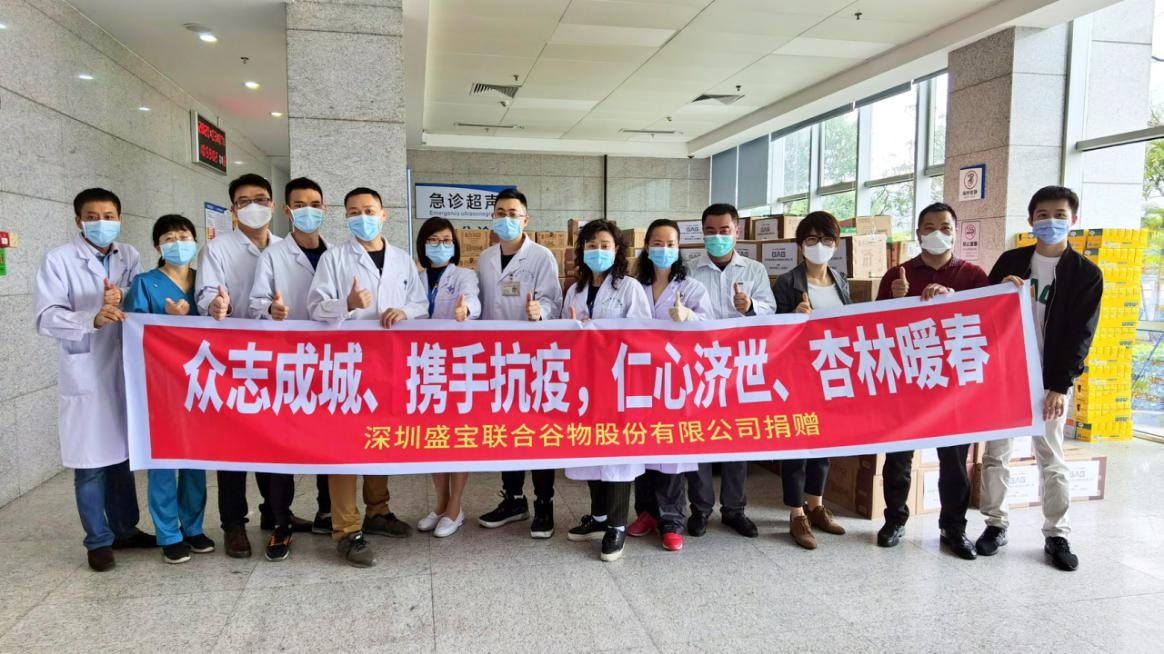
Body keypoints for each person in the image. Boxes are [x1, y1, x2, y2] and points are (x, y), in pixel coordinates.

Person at [977, 186, 1102, 572]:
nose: (1051, 222)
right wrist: (998, 291)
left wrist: (1060, 386)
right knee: (996, 455)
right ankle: (995, 524)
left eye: (1060, 215)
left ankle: (1057, 534)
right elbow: (982, 312)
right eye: (1043, 215)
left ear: (1073, 220)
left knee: (1051, 458)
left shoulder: (1085, 274)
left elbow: (1082, 335)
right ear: (1031, 220)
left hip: (1050, 381)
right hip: (1007, 376)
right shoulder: (1012, 261)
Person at [34, 188, 155, 572]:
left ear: (120, 218)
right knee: (90, 463)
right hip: (85, 367)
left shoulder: (129, 254)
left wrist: (124, 295)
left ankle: (125, 529)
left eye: (109, 215)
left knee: (122, 458)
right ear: (78, 221)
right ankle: (98, 540)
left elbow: (140, 295)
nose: (102, 223)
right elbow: (45, 316)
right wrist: (92, 318)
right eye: (92, 216)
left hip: (125, 366)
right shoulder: (58, 260)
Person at [308, 186, 427, 567]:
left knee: (380, 437)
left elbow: (420, 303)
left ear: (383, 214)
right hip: (347, 365)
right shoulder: (334, 258)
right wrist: (346, 304)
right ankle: (346, 529)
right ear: (345, 217)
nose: (363, 217)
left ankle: (378, 511)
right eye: (354, 212)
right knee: (344, 444)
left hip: (390, 365)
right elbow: (315, 307)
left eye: (369, 210)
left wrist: (405, 312)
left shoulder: (402, 259)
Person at [197, 173, 310, 558]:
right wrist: (216, 305)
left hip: (276, 360)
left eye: (260, 199)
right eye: (244, 202)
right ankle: (233, 524)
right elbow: (207, 295)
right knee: (233, 447)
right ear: (233, 210)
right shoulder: (217, 250)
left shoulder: (285, 247)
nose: (254, 207)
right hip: (232, 359)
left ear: (274, 205)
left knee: (275, 443)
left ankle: (277, 514)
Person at [874, 202, 989, 560]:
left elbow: (988, 323)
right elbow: (875, 328)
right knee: (898, 459)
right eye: (929, 227)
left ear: (956, 232)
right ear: (918, 233)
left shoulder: (973, 276)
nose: (937, 233)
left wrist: (956, 302)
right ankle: (895, 519)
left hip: (953, 385)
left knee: (954, 462)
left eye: (945, 227)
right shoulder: (898, 274)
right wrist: (897, 300)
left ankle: (953, 526)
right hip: (908, 380)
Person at [247, 176, 335, 561]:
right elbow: (255, 304)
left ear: (324, 209)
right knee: (282, 446)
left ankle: (326, 511)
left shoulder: (337, 254)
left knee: (329, 440)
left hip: (332, 362)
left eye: (314, 204)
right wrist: (272, 309)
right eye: (299, 205)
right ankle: (281, 523)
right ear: (287, 211)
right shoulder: (273, 255)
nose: (308, 211)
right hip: (287, 363)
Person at [124, 214, 215, 564]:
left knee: (195, 459)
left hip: (200, 385)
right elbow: (133, 334)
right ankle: (168, 533)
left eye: (184, 236)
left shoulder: (206, 282)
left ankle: (193, 527)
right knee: (163, 460)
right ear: (157, 246)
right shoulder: (146, 283)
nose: (179, 243)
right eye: (170, 238)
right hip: (160, 384)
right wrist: (167, 322)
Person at [475, 188, 564, 538]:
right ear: (492, 218)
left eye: (513, 214)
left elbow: (554, 302)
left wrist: (540, 311)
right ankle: (513, 499)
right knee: (506, 431)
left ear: (526, 220)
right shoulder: (485, 258)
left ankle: (544, 504)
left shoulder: (541, 256)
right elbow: (481, 303)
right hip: (496, 359)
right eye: (500, 213)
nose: (506, 219)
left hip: (533, 358)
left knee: (538, 432)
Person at [562, 220, 652, 561]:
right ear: (582, 250)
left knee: (617, 454)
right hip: (584, 382)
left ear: (617, 251)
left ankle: (616, 525)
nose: (597, 251)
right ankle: (598, 517)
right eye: (591, 245)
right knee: (590, 450)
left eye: (604, 245)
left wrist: (598, 330)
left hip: (618, 382)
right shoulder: (575, 290)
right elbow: (562, 333)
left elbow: (642, 333)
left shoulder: (629, 288)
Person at [685, 203, 776, 538]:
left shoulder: (754, 270)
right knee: (699, 438)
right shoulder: (690, 270)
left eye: (724, 230)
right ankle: (700, 509)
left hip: (740, 366)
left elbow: (771, 310)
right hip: (701, 365)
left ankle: (734, 510)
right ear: (702, 233)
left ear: (737, 232)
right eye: (710, 231)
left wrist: (751, 306)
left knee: (737, 437)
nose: (717, 236)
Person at [626, 219, 711, 552]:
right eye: (657, 243)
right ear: (647, 246)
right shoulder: (634, 285)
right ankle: (646, 512)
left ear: (679, 248)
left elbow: (712, 331)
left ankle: (672, 520)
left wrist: (690, 317)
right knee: (641, 446)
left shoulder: (692, 288)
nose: (664, 249)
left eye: (671, 243)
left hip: (675, 380)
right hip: (639, 378)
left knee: (671, 450)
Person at [772, 211, 850, 550]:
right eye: (812, 239)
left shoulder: (840, 281)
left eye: (827, 239)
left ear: (836, 244)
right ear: (800, 245)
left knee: (824, 444)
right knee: (797, 445)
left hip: (830, 373)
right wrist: (792, 318)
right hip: (797, 375)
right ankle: (796, 514)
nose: (820, 245)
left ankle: (816, 506)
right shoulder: (787, 282)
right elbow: (770, 331)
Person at [414, 217, 481, 538]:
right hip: (423, 365)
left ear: (454, 245)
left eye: (445, 240)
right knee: (432, 436)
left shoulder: (464, 275)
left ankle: (455, 506)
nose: (439, 246)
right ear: (423, 245)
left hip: (455, 364)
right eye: (433, 240)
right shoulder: (414, 277)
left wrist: (466, 311)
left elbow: (474, 300)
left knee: (457, 435)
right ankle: (440, 504)